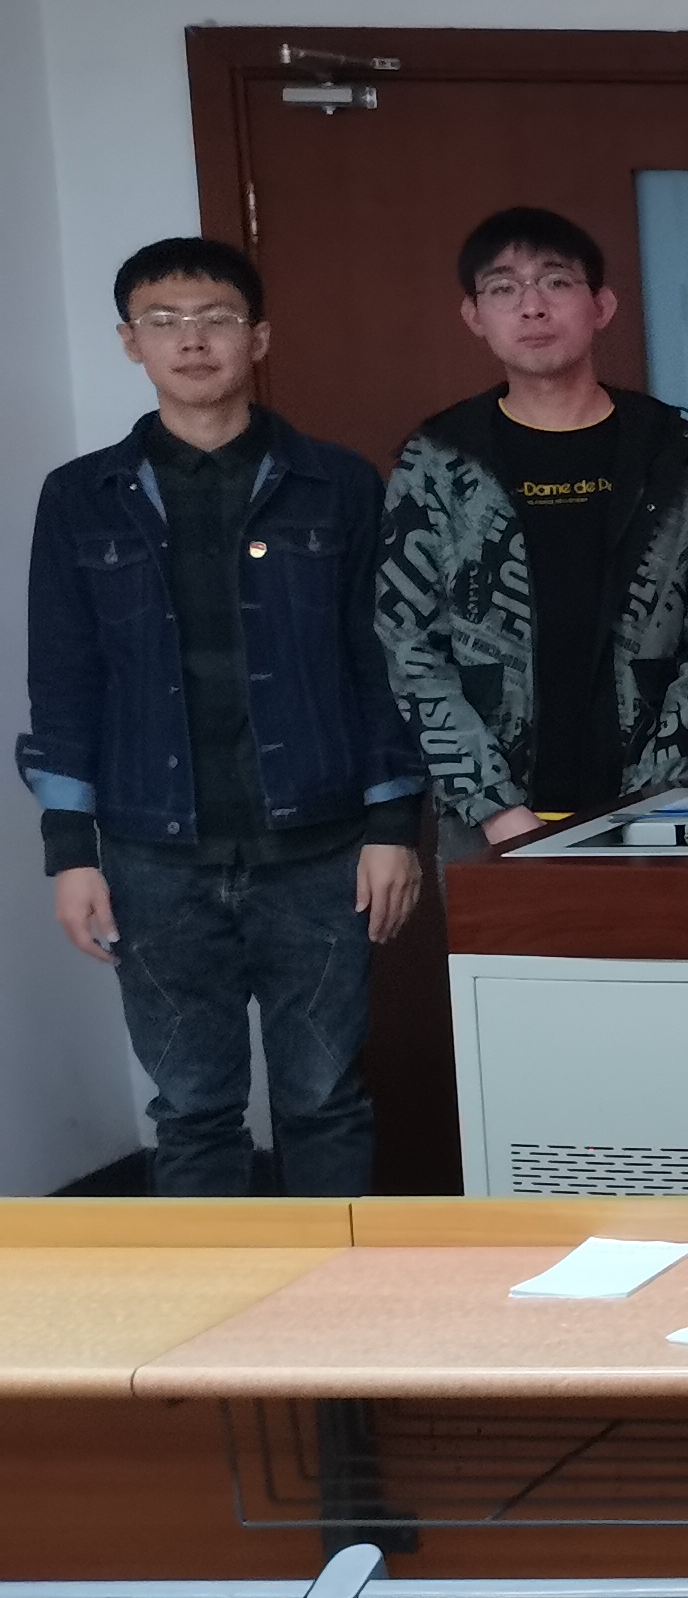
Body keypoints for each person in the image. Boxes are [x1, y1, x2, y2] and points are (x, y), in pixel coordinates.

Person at [23, 238, 425, 1195]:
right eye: (163, 322)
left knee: (324, 1098)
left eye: (215, 319)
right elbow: (64, 678)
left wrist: (393, 826)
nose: (192, 340)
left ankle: (332, 1290)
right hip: (152, 853)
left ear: (259, 337)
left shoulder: (339, 484)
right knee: (193, 1108)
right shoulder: (81, 497)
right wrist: (70, 852)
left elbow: (382, 664)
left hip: (320, 846)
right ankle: (213, 1295)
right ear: (131, 342)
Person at [377, 206, 688, 849]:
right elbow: (409, 646)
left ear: (602, 305)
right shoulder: (439, 459)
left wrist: (654, 796)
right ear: (474, 316)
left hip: (661, 806)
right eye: (503, 288)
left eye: (556, 281)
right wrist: (495, 808)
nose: (532, 307)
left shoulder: (673, 454)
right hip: (490, 818)